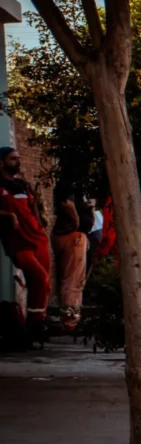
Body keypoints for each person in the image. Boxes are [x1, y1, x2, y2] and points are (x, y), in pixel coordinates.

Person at [0, 147, 51, 346]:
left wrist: (40, 226)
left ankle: (35, 325)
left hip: (37, 238)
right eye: (13, 159)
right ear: (1, 162)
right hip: (18, 241)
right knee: (40, 278)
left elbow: (35, 209)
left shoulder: (23, 185)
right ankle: (33, 323)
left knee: (42, 284)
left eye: (18, 158)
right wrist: (9, 216)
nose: (18, 162)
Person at [52, 190, 86, 330]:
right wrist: (76, 220)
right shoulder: (71, 183)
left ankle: (70, 312)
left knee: (71, 278)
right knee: (74, 279)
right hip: (72, 237)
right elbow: (67, 203)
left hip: (73, 236)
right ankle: (70, 314)